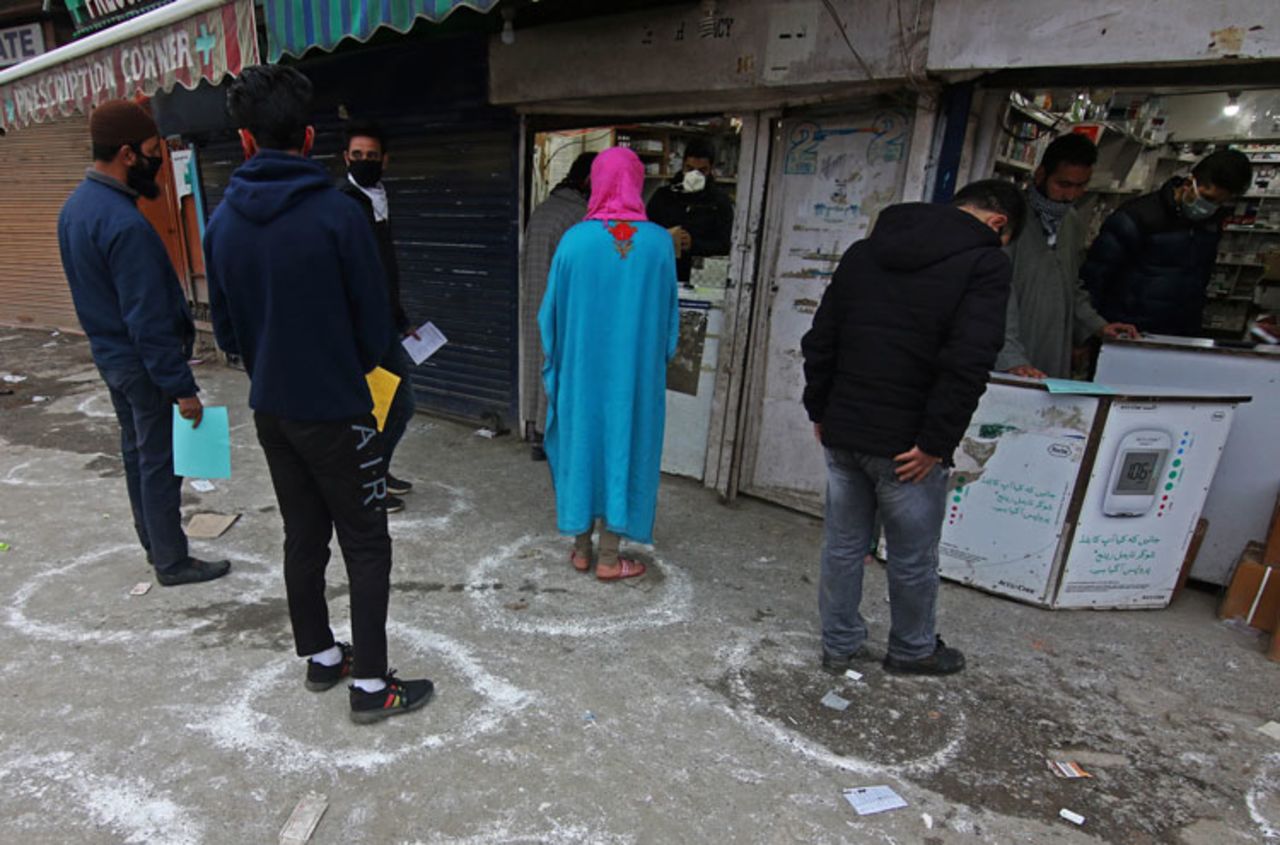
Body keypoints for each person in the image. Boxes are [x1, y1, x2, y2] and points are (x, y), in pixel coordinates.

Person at [205, 65, 432, 724]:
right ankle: (371, 688)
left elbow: (225, 331)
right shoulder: (338, 215)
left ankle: (323, 656)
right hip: (337, 408)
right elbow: (371, 330)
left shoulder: (222, 223)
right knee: (366, 543)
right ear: (309, 138)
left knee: (304, 536)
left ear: (246, 140)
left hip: (272, 408)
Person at [801, 180, 1026, 677]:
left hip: (846, 427)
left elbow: (821, 338)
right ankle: (912, 648)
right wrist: (935, 442)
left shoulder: (865, 252)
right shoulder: (985, 263)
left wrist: (822, 409)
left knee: (843, 544)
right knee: (911, 555)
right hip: (908, 442)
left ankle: (838, 645)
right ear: (998, 223)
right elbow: (968, 361)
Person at [57, 99, 231, 588]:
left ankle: (153, 542)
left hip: (112, 358)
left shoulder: (75, 209)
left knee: (137, 452)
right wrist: (182, 388)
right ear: (128, 154)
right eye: (154, 151)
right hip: (141, 364)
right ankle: (172, 560)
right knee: (160, 460)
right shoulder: (124, 224)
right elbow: (147, 320)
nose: (159, 159)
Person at [539, 147, 680, 581]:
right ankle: (610, 555)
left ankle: (582, 550)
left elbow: (550, 318)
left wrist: (557, 364)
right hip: (632, 376)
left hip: (580, 374)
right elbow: (670, 324)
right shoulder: (658, 243)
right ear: (637, 182)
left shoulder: (574, 241)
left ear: (595, 183)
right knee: (625, 445)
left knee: (581, 447)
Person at [996, 134, 1137, 378]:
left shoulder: (1070, 221)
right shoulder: (1008, 218)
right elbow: (993, 292)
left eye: (1080, 186)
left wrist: (1098, 326)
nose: (1071, 195)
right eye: (1063, 184)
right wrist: (1010, 357)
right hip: (1007, 352)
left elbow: (1070, 284)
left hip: (1051, 347)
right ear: (1041, 175)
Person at [1081, 149, 1253, 336]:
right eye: (1208, 198)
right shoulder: (1137, 216)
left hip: (1179, 334)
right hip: (1128, 332)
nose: (1210, 208)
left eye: (1220, 203)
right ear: (1190, 183)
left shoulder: (1210, 225)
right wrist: (1088, 331)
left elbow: (1199, 280)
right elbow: (1095, 278)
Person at [337, 119, 416, 513]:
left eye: (371, 156)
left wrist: (401, 320)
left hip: (384, 326)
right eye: (357, 156)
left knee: (395, 406)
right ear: (345, 158)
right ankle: (367, 484)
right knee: (383, 408)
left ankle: (378, 471)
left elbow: (384, 271)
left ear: (385, 160)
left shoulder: (379, 200)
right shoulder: (344, 205)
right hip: (360, 332)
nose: (364, 161)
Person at [520, 152, 595, 461]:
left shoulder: (544, 210)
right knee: (560, 369)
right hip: (562, 306)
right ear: (590, 180)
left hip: (534, 302)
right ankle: (552, 438)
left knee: (538, 364)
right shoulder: (579, 217)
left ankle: (537, 434)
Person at [645, 138, 734, 284]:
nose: (694, 175)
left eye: (702, 170)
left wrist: (694, 244)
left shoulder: (720, 202)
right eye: (690, 169)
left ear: (711, 169)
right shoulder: (663, 196)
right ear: (683, 166)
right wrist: (667, 237)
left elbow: (725, 244)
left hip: (701, 278)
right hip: (664, 273)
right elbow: (646, 233)